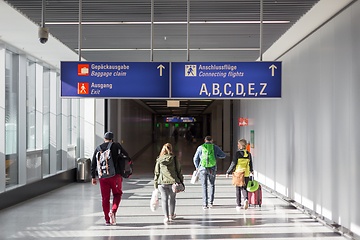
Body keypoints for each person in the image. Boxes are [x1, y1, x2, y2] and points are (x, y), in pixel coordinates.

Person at [91, 132, 130, 226]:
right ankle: (112, 211)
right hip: (115, 176)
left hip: (102, 177)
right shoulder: (116, 146)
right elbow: (127, 156)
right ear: (112, 139)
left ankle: (107, 220)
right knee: (117, 194)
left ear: (104, 139)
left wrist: (93, 177)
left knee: (105, 198)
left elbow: (93, 163)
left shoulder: (98, 148)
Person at [154, 143, 184, 224]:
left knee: (164, 199)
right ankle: (172, 214)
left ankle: (166, 217)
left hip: (162, 182)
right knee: (172, 199)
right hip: (173, 182)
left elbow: (157, 172)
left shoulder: (159, 160)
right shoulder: (174, 159)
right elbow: (179, 171)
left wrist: (155, 184)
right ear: (171, 150)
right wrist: (181, 181)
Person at [193, 136, 226, 209]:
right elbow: (223, 155)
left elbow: (195, 159)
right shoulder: (215, 147)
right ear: (212, 141)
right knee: (212, 185)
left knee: (204, 186)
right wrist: (216, 156)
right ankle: (211, 202)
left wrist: (197, 167)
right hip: (212, 169)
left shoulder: (200, 147)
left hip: (202, 169)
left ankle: (205, 204)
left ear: (205, 140)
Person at [225, 139, 254, 210]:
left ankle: (238, 205)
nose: (237, 145)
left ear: (241, 145)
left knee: (238, 189)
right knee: (244, 188)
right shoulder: (248, 154)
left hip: (238, 174)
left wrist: (228, 172)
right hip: (246, 174)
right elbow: (250, 163)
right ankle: (246, 199)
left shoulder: (237, 154)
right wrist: (251, 170)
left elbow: (233, 163)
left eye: (238, 144)